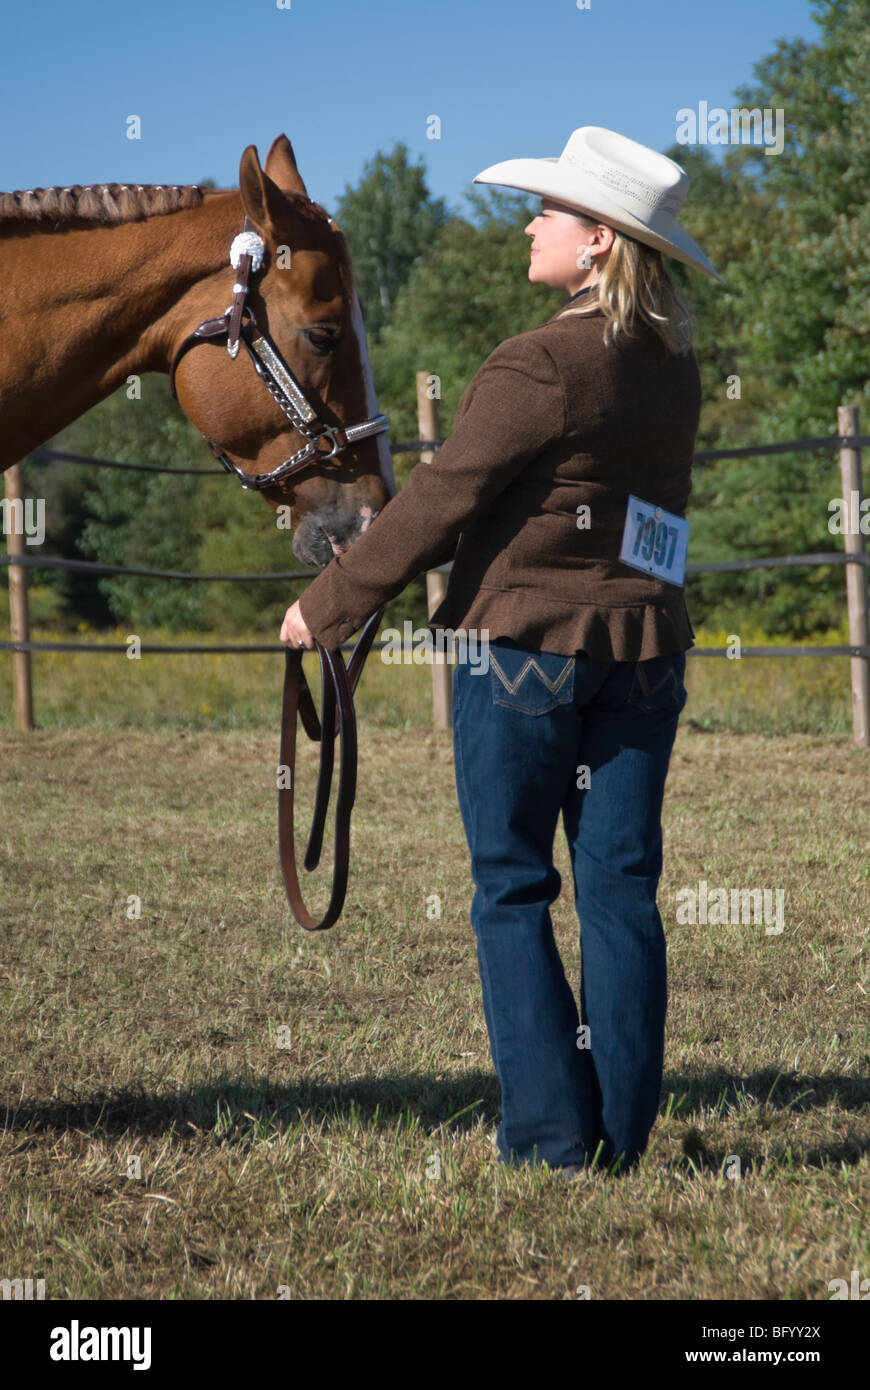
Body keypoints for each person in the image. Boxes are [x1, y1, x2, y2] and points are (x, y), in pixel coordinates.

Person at [280, 126, 724, 1178]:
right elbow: (659, 522)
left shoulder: (539, 360)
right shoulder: (674, 366)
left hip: (523, 652)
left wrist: (328, 605)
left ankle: (547, 1138)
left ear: (602, 245)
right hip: (645, 655)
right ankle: (621, 1129)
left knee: (513, 887)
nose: (531, 223)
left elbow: (440, 498)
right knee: (620, 889)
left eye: (551, 213)